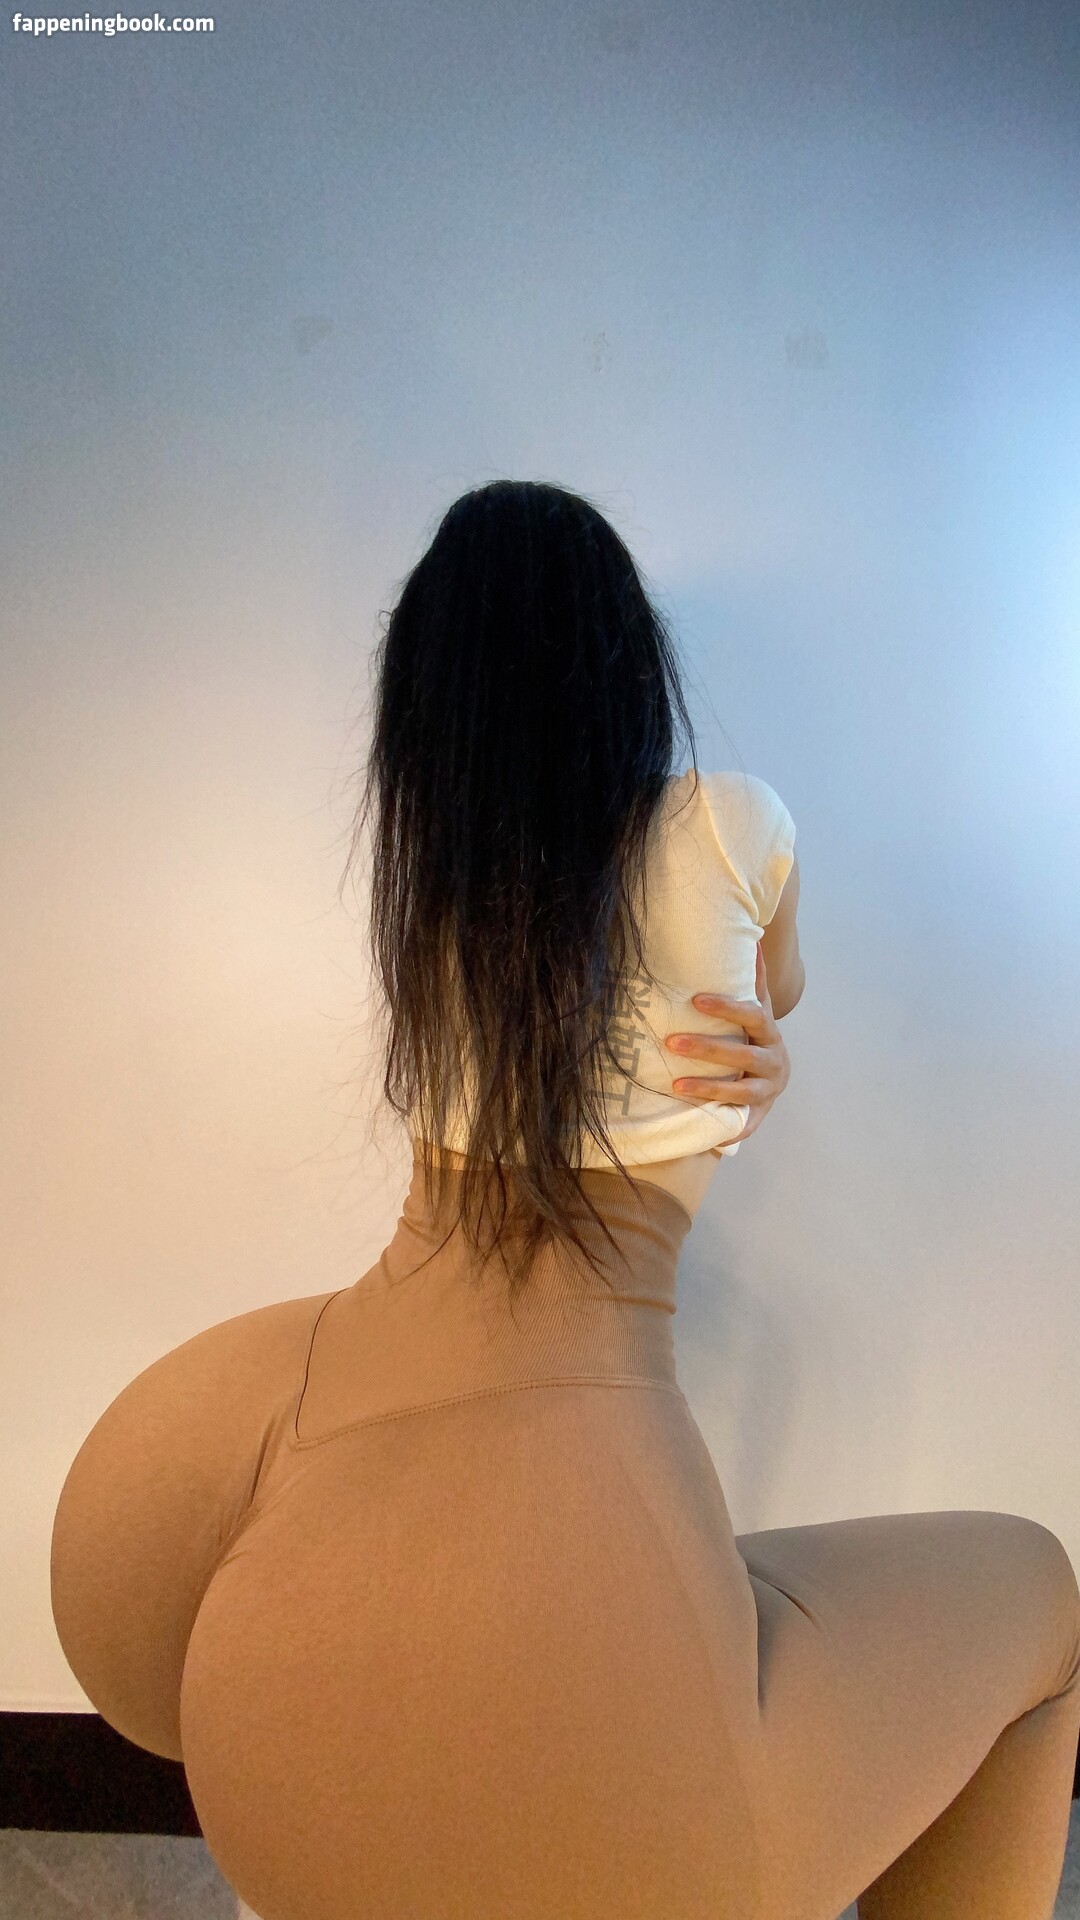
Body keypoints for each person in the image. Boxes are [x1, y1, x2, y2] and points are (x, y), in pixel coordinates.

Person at [51, 480, 1080, 1920]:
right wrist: (755, 1062)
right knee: (1046, 1602)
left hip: (263, 1645)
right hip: (596, 1547)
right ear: (630, 665)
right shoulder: (732, 825)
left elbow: (135, 1699)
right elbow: (775, 989)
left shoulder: (446, 880)